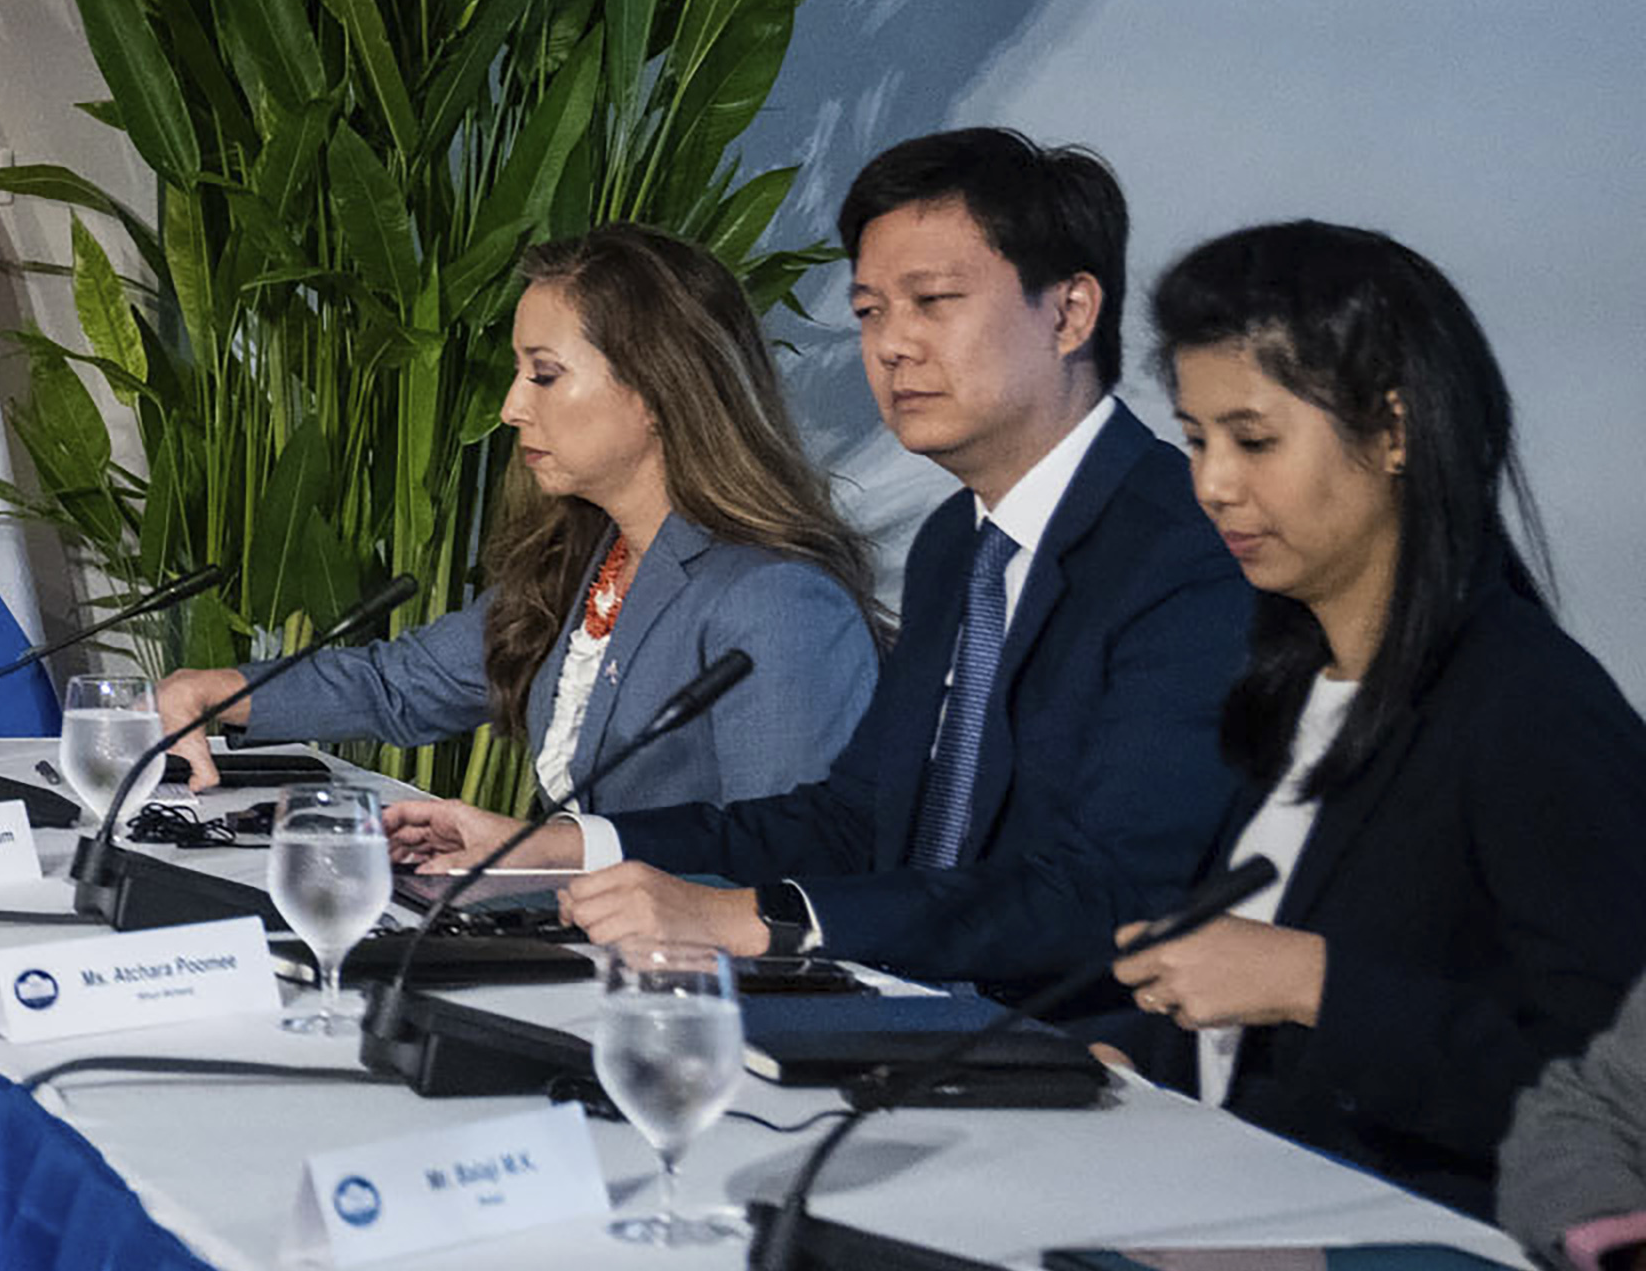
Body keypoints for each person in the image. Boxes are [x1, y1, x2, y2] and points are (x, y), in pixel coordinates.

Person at [393, 129, 1255, 985]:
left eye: (934, 302)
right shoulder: (960, 544)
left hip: (1077, 1054)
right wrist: (558, 846)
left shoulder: (1186, 550)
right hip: (908, 1010)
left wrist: (753, 917)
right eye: (870, 310)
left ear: (1069, 313)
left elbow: (1107, 894)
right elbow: (850, 821)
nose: (892, 345)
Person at [1093, 227, 1646, 1209]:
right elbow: (1252, 1035)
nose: (1214, 482)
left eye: (1253, 439)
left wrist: (1314, 982)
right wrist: (1119, 1052)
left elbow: (1600, 1113)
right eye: (1195, 439)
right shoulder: (1296, 684)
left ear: (1394, 431)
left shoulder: (1533, 710)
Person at [153, 224, 876, 811]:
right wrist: (214, 691)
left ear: (657, 389)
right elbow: (398, 686)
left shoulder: (777, 602)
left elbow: (789, 866)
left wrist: (535, 861)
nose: (510, 407)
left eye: (545, 373)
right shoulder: (589, 559)